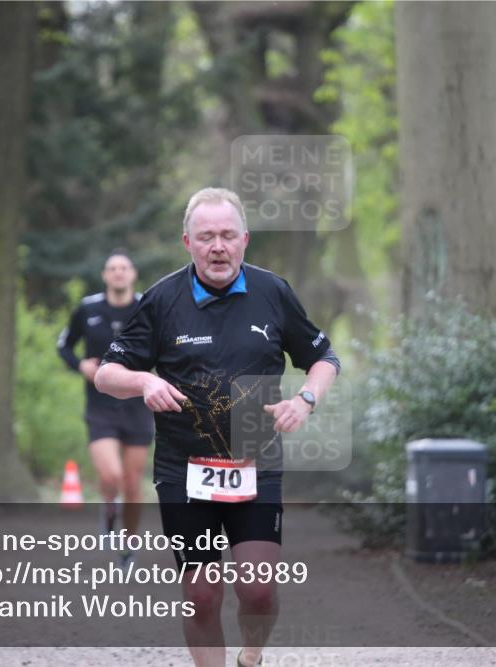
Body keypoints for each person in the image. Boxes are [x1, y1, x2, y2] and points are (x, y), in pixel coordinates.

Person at [95, 188, 340, 667]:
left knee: (258, 590)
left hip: (255, 458)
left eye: (228, 235)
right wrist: (145, 381)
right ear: (187, 242)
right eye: (206, 237)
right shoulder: (162, 299)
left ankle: (252, 654)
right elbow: (107, 374)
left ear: (245, 239)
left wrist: (305, 400)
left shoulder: (272, 292)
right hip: (184, 467)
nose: (218, 247)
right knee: (202, 596)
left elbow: (323, 359)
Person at [57, 250, 154, 564]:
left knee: (132, 483)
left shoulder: (148, 306)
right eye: (112, 268)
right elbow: (64, 345)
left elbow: (166, 345)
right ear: (105, 275)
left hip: (138, 405)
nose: (118, 272)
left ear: (133, 274)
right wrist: (80, 365)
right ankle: (108, 507)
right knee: (111, 476)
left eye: (124, 267)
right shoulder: (88, 308)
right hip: (100, 405)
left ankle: (129, 545)